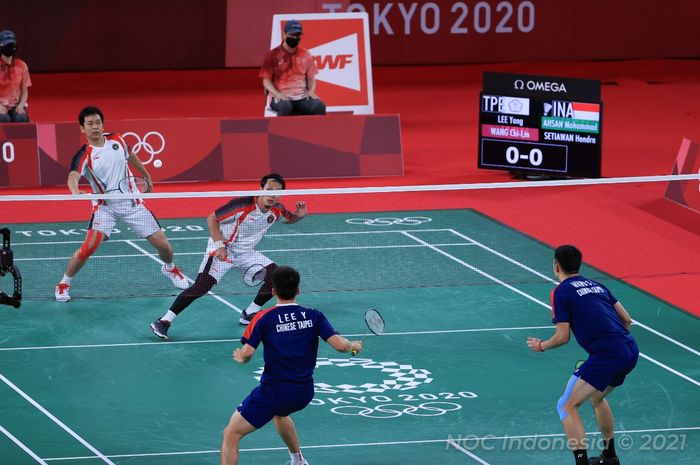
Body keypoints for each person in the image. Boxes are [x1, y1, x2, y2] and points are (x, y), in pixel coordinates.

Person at [220, 266, 362, 465]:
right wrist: (353, 346)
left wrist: (241, 357)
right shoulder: (314, 316)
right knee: (281, 414)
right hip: (303, 393)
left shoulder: (263, 317)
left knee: (231, 434)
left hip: (273, 393)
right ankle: (298, 461)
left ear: (272, 291)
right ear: (298, 290)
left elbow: (247, 353)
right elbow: (340, 345)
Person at [150, 173, 307, 339]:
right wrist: (219, 245)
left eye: (277, 192)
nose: (272, 194)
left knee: (278, 278)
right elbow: (212, 218)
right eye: (268, 189)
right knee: (202, 286)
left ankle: (250, 313)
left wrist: (299, 216)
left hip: (246, 253)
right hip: (224, 248)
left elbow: (288, 219)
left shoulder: (277, 209)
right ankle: (163, 321)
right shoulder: (242, 204)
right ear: (261, 189)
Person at [54, 106, 188, 302]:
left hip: (132, 203)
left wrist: (147, 176)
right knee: (88, 248)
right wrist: (75, 191)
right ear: (82, 129)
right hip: (105, 207)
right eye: (90, 124)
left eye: (98, 122)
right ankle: (64, 283)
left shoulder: (117, 139)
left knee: (164, 246)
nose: (95, 127)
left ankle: (170, 269)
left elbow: (131, 155)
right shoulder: (85, 154)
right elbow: (73, 176)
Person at [526, 245, 639, 465]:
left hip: (607, 355)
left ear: (556, 265)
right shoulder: (597, 285)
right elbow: (626, 320)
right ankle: (610, 455)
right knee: (597, 397)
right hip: (630, 350)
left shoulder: (561, 291)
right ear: (579, 264)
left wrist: (542, 346)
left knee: (565, 405)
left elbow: (562, 337)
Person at [260, 19, 326, 116]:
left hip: (302, 97)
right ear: (285, 34)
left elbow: (311, 78)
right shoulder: (272, 55)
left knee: (319, 105)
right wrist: (276, 94)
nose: (295, 38)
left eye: (297, 35)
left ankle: (315, 131)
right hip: (280, 97)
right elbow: (266, 80)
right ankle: (280, 131)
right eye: (292, 35)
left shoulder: (306, 54)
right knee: (286, 107)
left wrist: (311, 91)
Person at [0, 30, 31, 123]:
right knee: (4, 119)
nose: (10, 47)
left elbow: (24, 91)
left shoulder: (22, 65)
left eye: (11, 45)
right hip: (0, 105)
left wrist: (21, 105)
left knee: (20, 118)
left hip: (15, 105)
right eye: (6, 45)